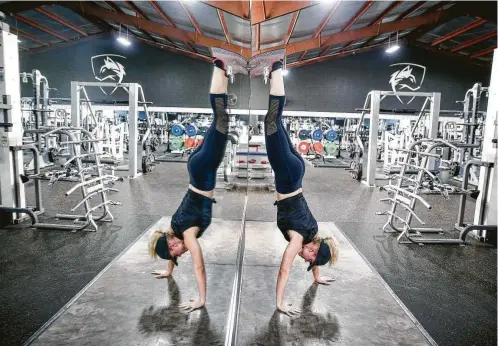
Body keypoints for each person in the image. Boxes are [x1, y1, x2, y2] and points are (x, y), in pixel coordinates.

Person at [148, 57, 239, 313]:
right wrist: (168, 267)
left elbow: (199, 265)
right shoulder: (173, 230)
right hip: (196, 168)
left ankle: (219, 68)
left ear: (173, 240)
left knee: (221, 118)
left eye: (176, 250)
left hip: (204, 169)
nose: (181, 252)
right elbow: (173, 250)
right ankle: (223, 75)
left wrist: (201, 299)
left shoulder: (186, 233)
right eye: (176, 253)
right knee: (218, 120)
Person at [260, 59, 339, 316]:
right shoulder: (298, 239)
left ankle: (274, 76)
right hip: (286, 174)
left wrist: (316, 275)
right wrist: (279, 303)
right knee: (271, 120)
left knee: (276, 121)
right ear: (312, 247)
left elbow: (315, 251)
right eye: (309, 257)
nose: (304, 259)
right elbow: (285, 268)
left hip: (297, 172)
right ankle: (275, 70)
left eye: (308, 261)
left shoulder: (315, 233)